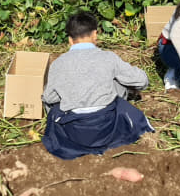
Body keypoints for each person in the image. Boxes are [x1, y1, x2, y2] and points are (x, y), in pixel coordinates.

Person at [41, 11, 153, 159]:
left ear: (70, 40)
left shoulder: (58, 64)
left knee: (54, 104)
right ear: (95, 34)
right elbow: (142, 81)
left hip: (74, 131)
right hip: (107, 126)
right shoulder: (108, 58)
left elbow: (49, 98)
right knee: (117, 83)